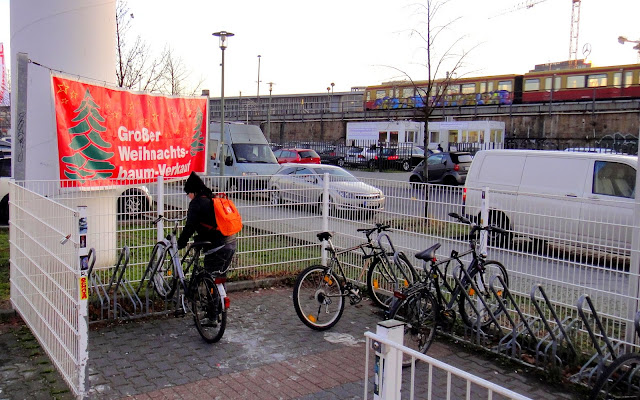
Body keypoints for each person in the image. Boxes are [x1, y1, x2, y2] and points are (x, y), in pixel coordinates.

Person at [177, 171, 236, 275]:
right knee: (219, 278)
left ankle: (211, 289)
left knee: (210, 277)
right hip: (231, 242)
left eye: (188, 194)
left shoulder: (196, 204)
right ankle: (219, 290)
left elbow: (189, 227)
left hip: (217, 247)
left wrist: (180, 243)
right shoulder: (213, 198)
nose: (189, 197)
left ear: (193, 191)